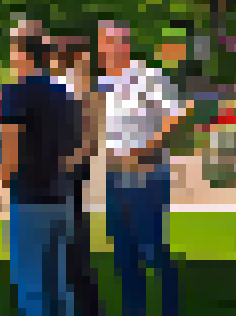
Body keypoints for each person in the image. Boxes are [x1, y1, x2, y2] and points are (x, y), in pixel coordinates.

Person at [99, 21, 186, 316]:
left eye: (110, 42)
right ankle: (133, 309)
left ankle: (170, 308)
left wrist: (145, 149)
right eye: (103, 44)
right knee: (124, 251)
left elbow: (175, 115)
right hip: (115, 175)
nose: (105, 50)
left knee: (152, 248)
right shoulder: (106, 84)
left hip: (147, 173)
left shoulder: (149, 76)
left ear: (124, 43)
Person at [0, 24, 84, 316]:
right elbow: (75, 149)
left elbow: (11, 151)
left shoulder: (15, 92)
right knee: (59, 287)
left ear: (20, 52)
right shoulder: (66, 94)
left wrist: (3, 177)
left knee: (32, 286)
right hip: (61, 198)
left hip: (30, 197)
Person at [56, 40, 107, 315]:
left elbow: (92, 142)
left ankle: (87, 305)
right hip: (55, 172)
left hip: (72, 173)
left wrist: (68, 162)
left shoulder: (92, 95)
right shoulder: (58, 89)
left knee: (74, 239)